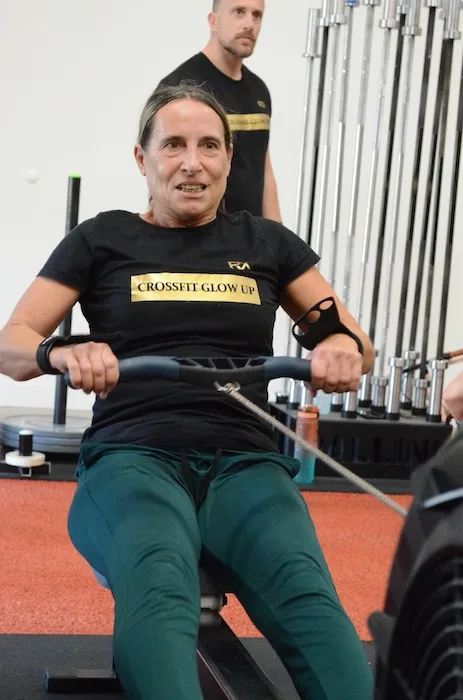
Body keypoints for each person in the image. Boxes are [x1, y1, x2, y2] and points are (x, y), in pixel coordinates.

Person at [0, 83, 375, 700]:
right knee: (159, 584)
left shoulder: (266, 243)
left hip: (246, 463)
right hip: (132, 458)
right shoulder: (102, 239)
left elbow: (352, 342)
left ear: (229, 159)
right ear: (142, 158)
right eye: (173, 145)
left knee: (308, 598)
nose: (192, 163)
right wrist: (62, 352)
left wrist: (339, 346)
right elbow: (12, 343)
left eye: (209, 146)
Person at [158, 0, 281, 220]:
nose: (249, 24)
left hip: (251, 234)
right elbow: (163, 172)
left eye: (256, 15)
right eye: (239, 12)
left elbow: (263, 169)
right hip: (200, 234)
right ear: (213, 21)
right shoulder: (182, 87)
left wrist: (277, 234)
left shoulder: (259, 89)